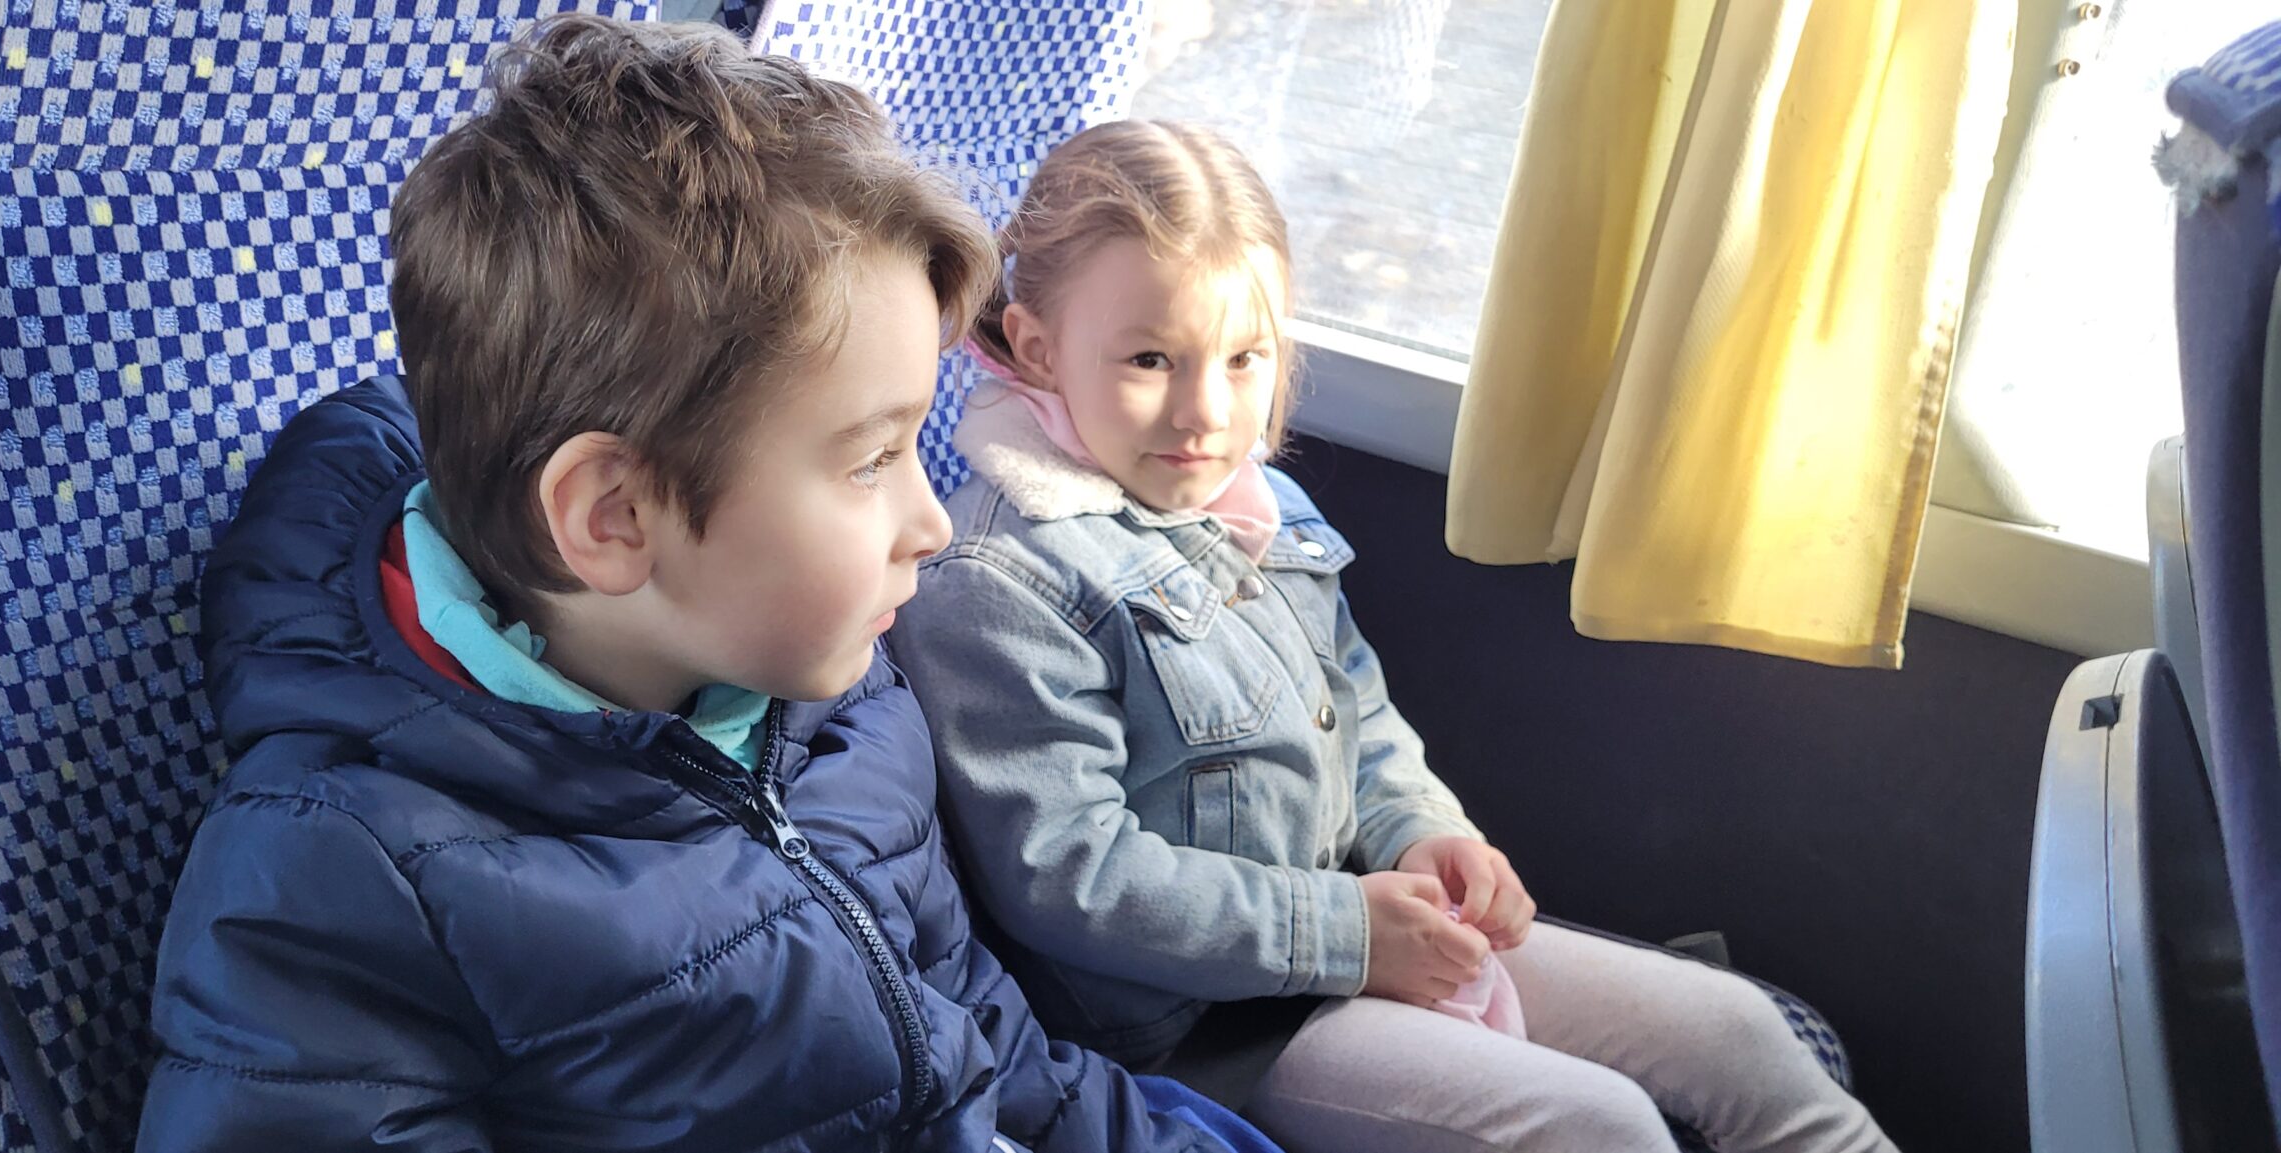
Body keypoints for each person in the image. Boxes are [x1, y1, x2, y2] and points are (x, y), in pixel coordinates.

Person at [137, 19, 1284, 1152]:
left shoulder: (841, 700)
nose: (932, 524)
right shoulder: (343, 886)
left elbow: (983, 1039)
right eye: (872, 461)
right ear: (616, 517)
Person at [891, 118, 1900, 1153]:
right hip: (1207, 1026)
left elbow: (1360, 718)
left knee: (1738, 1031)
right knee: (1599, 1127)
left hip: (1362, 917)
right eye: (1151, 359)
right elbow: (1074, 877)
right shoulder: (996, 582)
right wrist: (1347, 933)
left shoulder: (1256, 506)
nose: (1204, 412)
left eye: (1244, 359)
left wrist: (1425, 830)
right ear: (1037, 347)